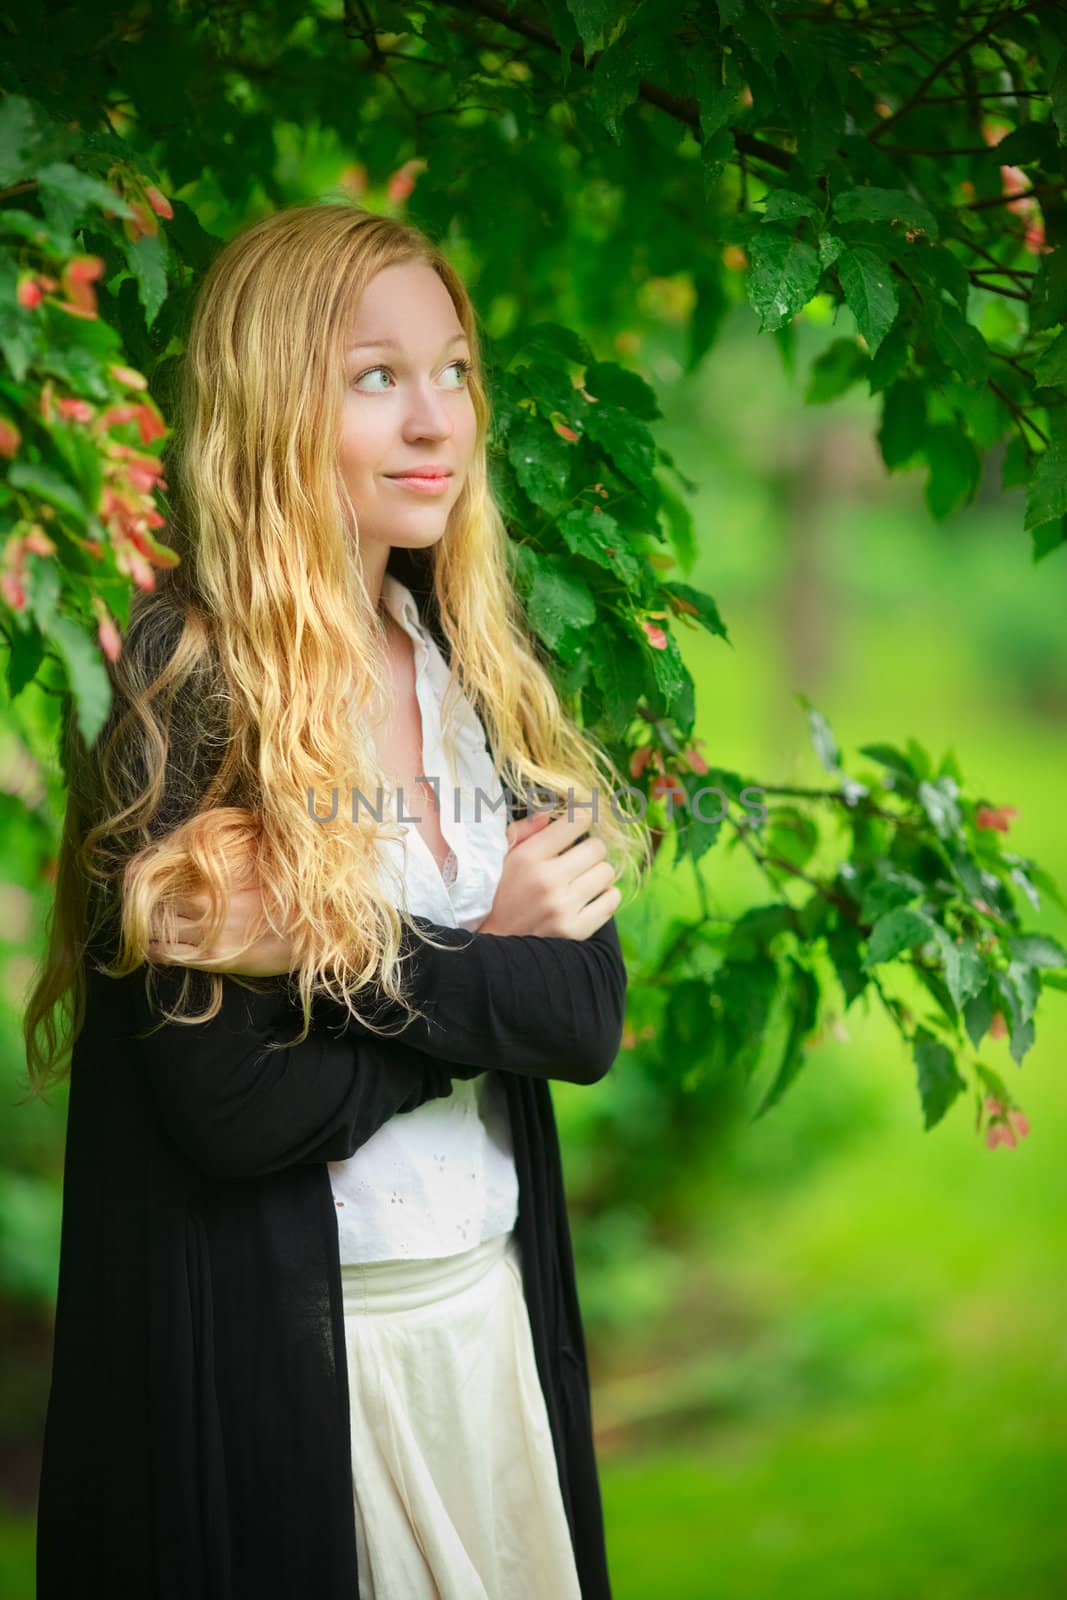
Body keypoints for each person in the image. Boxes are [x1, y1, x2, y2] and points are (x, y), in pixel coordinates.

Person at [25, 200, 651, 1599]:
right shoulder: (185, 684)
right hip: (289, 1367)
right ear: (269, 402)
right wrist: (477, 952)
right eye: (377, 378)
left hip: (483, 1331)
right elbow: (236, 1107)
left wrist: (318, 948)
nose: (438, 420)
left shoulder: (477, 660)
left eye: (453, 370)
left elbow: (582, 1014)